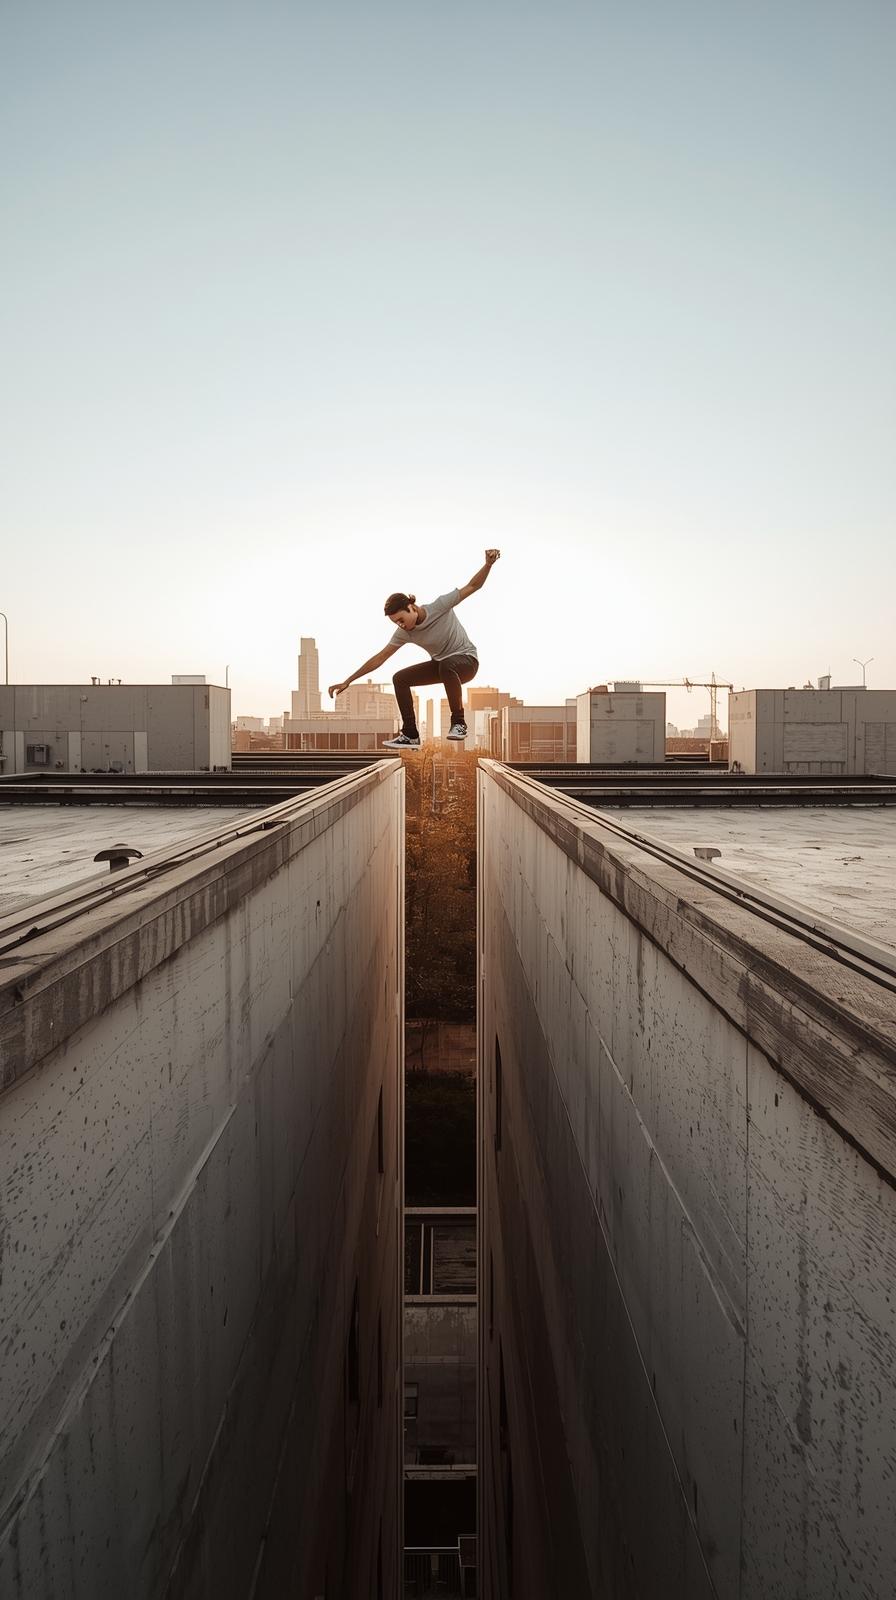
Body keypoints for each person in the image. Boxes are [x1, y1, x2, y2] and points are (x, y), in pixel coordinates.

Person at [327, 549, 501, 748]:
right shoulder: (404, 633)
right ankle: (410, 734)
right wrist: (348, 680)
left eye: (401, 619)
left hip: (467, 661)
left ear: (412, 607)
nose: (400, 625)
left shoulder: (440, 605)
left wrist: (488, 565)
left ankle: (459, 723)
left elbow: (473, 585)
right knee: (400, 678)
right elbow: (380, 657)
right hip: (443, 666)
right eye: (395, 623)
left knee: (446, 665)